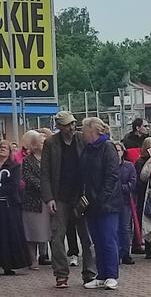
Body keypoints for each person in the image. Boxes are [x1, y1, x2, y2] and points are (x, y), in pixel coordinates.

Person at [41, 111, 96, 288]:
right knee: (57, 237)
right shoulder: (51, 143)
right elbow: (45, 173)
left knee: (86, 237)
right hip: (60, 196)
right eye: (67, 125)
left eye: (72, 123)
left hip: (81, 195)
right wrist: (49, 198)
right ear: (59, 126)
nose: (71, 127)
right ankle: (61, 274)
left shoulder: (81, 139)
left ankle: (89, 273)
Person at [79, 117, 121, 290]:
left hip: (107, 204)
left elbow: (112, 176)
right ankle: (101, 274)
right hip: (91, 203)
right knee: (97, 240)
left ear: (93, 131)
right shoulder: (87, 150)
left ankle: (112, 275)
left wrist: (101, 199)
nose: (82, 134)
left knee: (108, 239)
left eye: (84, 131)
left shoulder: (108, 147)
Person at [21, 130, 52, 270]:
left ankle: (45, 256)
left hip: (47, 199)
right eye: (41, 142)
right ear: (34, 145)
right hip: (32, 200)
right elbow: (28, 177)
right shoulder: (27, 160)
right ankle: (32, 260)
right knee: (32, 231)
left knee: (47, 230)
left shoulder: (49, 159)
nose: (44, 144)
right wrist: (43, 186)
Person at [0, 140, 32, 275]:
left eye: (4, 147)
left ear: (10, 151)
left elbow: (13, 186)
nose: (2, 149)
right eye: (0, 147)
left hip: (8, 206)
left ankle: (8, 264)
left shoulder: (14, 167)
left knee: (8, 235)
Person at [133, 137, 151, 257]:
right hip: (143, 194)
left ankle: (150, 248)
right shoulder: (140, 162)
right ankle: (138, 244)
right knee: (143, 220)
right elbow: (139, 179)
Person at [113, 142, 137, 265]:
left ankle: (126, 253)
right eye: (115, 150)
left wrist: (121, 188)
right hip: (111, 201)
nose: (117, 153)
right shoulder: (109, 166)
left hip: (125, 201)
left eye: (119, 150)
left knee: (125, 228)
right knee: (114, 228)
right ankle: (115, 253)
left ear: (123, 152)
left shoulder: (129, 166)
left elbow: (133, 183)